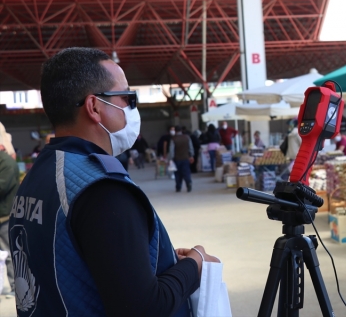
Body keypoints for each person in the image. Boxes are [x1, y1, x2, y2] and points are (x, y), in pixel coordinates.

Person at [9, 48, 216, 316]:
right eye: (128, 98)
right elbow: (144, 308)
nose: (133, 109)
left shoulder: (41, 173)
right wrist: (195, 265)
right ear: (95, 107)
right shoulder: (103, 190)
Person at [0, 143, 19, 296]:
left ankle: (15, 286)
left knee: (9, 252)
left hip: (5, 215)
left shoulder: (6, 163)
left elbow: (2, 187)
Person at [170, 127, 194, 192]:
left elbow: (171, 150)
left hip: (177, 159)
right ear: (181, 130)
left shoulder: (174, 139)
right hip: (186, 158)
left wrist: (171, 158)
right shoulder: (187, 137)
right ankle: (188, 183)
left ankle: (178, 187)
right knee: (186, 172)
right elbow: (190, 147)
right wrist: (191, 156)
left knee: (177, 174)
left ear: (175, 131)